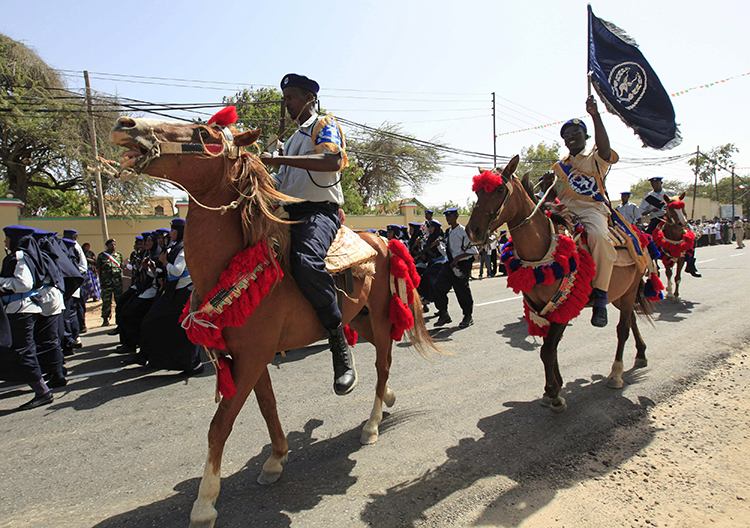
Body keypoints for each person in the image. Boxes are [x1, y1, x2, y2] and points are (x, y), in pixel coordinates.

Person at [259, 73, 355, 396]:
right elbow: (283, 185)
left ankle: (337, 340)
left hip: (319, 212)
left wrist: (279, 158)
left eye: (292, 98)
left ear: (309, 99)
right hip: (288, 213)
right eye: (285, 99)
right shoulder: (291, 141)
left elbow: (330, 161)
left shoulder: (322, 125)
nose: (286, 105)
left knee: (305, 261)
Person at [548, 96, 617, 327]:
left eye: (576, 133)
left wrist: (595, 115)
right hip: (565, 213)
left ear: (585, 136)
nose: (571, 137)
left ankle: (600, 297)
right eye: (567, 135)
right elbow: (554, 197)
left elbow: (606, 148)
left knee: (598, 237)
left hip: (591, 210)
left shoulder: (596, 157)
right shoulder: (559, 167)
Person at [139, 218, 202, 374]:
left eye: (173, 230)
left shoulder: (184, 248)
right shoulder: (175, 247)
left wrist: (165, 262)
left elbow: (177, 271)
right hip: (174, 293)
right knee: (162, 324)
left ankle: (194, 363)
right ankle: (161, 360)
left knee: (185, 330)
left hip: (184, 294)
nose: (170, 233)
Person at [0, 225, 53, 410]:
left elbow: (24, 283)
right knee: (19, 349)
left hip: (21, 309)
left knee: (24, 351)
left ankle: (42, 391)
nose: (5, 241)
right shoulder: (24, 256)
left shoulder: (20, 257)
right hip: (20, 308)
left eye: (7, 238)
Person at [31, 229, 67, 387]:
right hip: (53, 297)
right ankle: (57, 367)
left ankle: (57, 373)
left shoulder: (41, 257)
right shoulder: (49, 254)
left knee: (49, 337)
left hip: (48, 298)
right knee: (52, 337)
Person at [433, 207, 477, 328]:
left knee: (462, 291)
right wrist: (438, 246)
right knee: (438, 287)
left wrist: (458, 259)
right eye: (447, 216)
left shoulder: (463, 231)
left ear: (456, 216)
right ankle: (444, 314)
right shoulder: (448, 232)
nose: (448, 219)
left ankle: (468, 316)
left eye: (450, 216)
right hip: (449, 264)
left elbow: (473, 250)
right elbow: (447, 251)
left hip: (461, 264)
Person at [119, 232, 160, 358]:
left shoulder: (157, 255)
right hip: (142, 289)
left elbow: (158, 276)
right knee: (123, 307)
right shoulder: (147, 254)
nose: (144, 244)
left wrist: (149, 269)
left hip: (151, 291)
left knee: (134, 315)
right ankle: (130, 344)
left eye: (147, 242)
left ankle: (136, 347)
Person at [63, 229, 88, 336]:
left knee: (76, 304)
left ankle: (80, 326)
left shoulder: (74, 247)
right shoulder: (72, 246)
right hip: (76, 275)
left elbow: (80, 266)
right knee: (76, 304)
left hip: (78, 276)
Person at [96, 238, 123, 326]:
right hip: (106, 282)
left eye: (114, 244)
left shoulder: (118, 255)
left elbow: (121, 268)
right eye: (111, 244)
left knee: (119, 300)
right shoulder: (102, 256)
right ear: (107, 246)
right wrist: (100, 281)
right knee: (106, 301)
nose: (113, 246)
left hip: (117, 283)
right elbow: (99, 269)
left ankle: (119, 318)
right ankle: (105, 318)